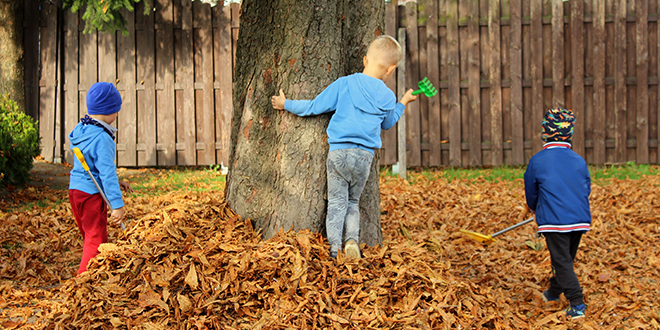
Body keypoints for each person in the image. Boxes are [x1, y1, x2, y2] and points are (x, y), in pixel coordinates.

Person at [271, 35, 418, 259]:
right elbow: (388, 123)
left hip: (339, 153)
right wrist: (403, 102)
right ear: (391, 70)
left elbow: (314, 106)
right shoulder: (388, 96)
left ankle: (334, 250)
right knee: (352, 201)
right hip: (364, 158)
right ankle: (352, 241)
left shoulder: (346, 84)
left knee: (337, 203)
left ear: (365, 59)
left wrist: (286, 104)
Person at [524, 107, 591, 320]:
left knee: (562, 261)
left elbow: (531, 190)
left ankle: (577, 303)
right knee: (564, 260)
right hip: (579, 219)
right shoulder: (578, 160)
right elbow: (585, 187)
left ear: (545, 132)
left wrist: (535, 208)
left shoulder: (538, 160)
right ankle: (553, 292)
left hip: (555, 220)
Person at [68, 82, 133, 275]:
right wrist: (118, 205)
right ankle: (84, 281)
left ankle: (96, 273)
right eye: (116, 111)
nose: (117, 115)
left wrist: (117, 182)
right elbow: (106, 173)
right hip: (90, 195)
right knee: (96, 240)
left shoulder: (83, 129)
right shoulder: (103, 138)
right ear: (109, 110)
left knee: (90, 235)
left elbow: (91, 165)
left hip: (76, 191)